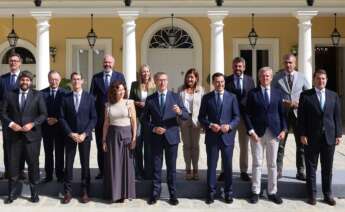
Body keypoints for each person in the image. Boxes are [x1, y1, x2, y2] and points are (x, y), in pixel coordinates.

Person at [142, 72, 189, 206]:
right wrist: (153, 128)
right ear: (155, 82)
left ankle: (172, 194)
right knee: (156, 167)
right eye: (159, 80)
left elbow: (185, 115)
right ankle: (155, 193)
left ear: (167, 82)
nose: (162, 83)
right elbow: (144, 120)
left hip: (172, 137)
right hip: (156, 137)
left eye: (164, 80)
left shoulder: (175, 97)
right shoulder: (150, 99)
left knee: (171, 168)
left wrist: (179, 112)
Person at [1, 70, 47, 204]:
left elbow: (43, 114)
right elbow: (2, 113)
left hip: (32, 137)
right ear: (19, 81)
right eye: (22, 80)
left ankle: (34, 193)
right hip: (13, 137)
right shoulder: (9, 95)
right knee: (13, 165)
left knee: (33, 165)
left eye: (27, 80)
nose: (25, 82)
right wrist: (11, 124)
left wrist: (33, 124)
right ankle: (12, 194)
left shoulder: (38, 95)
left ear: (31, 82)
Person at [298, 69, 342, 206]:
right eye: (318, 78)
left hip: (329, 137)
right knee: (311, 167)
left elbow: (337, 117)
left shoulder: (333, 95)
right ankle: (312, 195)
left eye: (323, 78)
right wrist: (302, 134)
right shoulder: (305, 95)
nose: (321, 81)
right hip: (311, 137)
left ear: (326, 80)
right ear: (314, 79)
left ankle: (327, 194)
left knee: (327, 167)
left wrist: (339, 134)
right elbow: (301, 118)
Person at [245, 67, 287, 204]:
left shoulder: (278, 93)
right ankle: (255, 191)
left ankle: (272, 191)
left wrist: (283, 129)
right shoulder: (252, 94)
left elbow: (282, 113)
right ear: (259, 78)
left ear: (271, 77)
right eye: (263, 76)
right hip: (257, 134)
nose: (265, 78)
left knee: (272, 164)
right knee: (257, 163)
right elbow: (247, 114)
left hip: (274, 133)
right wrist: (251, 131)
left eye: (268, 76)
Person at [198, 72, 240, 204]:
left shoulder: (232, 97)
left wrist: (230, 126)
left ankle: (228, 193)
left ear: (224, 82)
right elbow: (201, 117)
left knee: (227, 166)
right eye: (217, 82)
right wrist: (210, 125)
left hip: (227, 137)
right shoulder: (206, 98)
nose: (220, 84)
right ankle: (210, 193)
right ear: (213, 83)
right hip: (212, 138)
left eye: (222, 82)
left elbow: (237, 117)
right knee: (211, 166)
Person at [59, 72, 97, 204]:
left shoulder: (90, 98)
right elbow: (62, 118)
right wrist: (70, 133)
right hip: (70, 136)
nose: (76, 82)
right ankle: (67, 192)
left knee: (85, 164)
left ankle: (85, 192)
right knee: (68, 164)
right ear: (71, 82)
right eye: (74, 79)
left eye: (78, 79)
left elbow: (94, 118)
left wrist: (85, 134)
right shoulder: (65, 98)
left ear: (83, 81)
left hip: (84, 136)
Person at [272, 53, 310, 180]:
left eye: (290, 62)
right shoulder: (277, 77)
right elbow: (272, 95)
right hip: (282, 115)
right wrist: (285, 102)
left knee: (301, 144)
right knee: (280, 144)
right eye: (286, 62)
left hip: (299, 115)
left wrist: (301, 103)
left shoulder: (302, 77)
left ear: (295, 63)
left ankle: (301, 171)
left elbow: (308, 94)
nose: (288, 65)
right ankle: (278, 170)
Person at [90, 54, 126, 180]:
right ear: (102, 63)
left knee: (116, 145)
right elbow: (92, 98)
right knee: (102, 145)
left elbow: (124, 94)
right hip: (101, 118)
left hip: (116, 118)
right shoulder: (96, 78)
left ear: (113, 63)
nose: (107, 64)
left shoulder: (120, 76)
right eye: (105, 62)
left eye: (109, 62)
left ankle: (116, 171)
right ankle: (102, 171)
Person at [103, 81, 136, 202]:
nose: (122, 92)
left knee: (127, 165)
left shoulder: (129, 102)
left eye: (123, 89)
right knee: (114, 165)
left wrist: (134, 138)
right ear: (114, 91)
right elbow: (106, 123)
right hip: (112, 136)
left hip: (127, 135)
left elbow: (134, 122)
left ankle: (126, 194)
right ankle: (115, 194)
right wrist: (104, 140)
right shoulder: (108, 105)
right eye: (119, 90)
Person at [224, 57, 255, 182]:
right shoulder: (227, 80)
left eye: (240, 66)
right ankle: (225, 170)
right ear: (232, 67)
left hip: (245, 118)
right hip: (230, 117)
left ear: (244, 67)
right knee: (227, 145)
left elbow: (252, 98)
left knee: (244, 146)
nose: (238, 68)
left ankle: (243, 171)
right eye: (235, 66)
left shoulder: (250, 80)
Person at [0, 53, 26, 180]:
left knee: (21, 145)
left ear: (20, 63)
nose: (13, 63)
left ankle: (20, 170)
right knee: (7, 145)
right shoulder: (2, 79)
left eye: (15, 61)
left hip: (22, 118)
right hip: (6, 118)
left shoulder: (25, 78)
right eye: (11, 61)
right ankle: (8, 171)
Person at [40, 70, 68, 183]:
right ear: (48, 79)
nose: (54, 81)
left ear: (60, 80)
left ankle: (60, 175)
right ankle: (48, 175)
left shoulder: (65, 93)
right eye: (52, 79)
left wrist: (57, 119)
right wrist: (46, 119)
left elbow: (67, 110)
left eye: (56, 79)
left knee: (60, 152)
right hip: (46, 127)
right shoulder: (41, 93)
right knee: (48, 152)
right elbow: (39, 109)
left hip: (60, 127)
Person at [129, 64, 156, 180]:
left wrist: (147, 104)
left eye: (147, 71)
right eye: (143, 72)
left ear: (150, 73)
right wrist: (137, 103)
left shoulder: (154, 86)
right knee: (138, 145)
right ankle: (138, 171)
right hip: (138, 118)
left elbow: (156, 102)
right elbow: (130, 100)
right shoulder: (134, 85)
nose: (145, 74)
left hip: (150, 119)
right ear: (140, 73)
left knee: (149, 146)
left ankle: (149, 172)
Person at [177, 68, 204, 180]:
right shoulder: (180, 89)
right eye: (188, 77)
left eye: (192, 77)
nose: (190, 79)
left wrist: (202, 122)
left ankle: (196, 169)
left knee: (195, 146)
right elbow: (177, 104)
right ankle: (188, 169)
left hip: (195, 120)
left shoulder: (200, 90)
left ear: (196, 78)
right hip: (184, 119)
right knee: (186, 145)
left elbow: (203, 106)